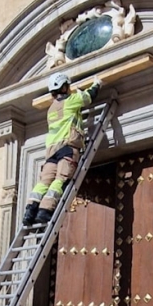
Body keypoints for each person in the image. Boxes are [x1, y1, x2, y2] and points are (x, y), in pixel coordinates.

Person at [22, 71, 102, 226]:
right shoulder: (70, 101)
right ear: (64, 87)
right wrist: (97, 84)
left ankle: (30, 211)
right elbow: (88, 97)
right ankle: (45, 211)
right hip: (67, 146)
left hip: (51, 151)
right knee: (62, 178)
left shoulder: (51, 109)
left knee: (44, 182)